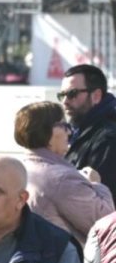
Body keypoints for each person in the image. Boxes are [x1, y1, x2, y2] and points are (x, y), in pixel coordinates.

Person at [14, 100, 113, 247]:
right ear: (47, 131)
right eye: (65, 126)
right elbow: (108, 228)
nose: (69, 131)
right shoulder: (62, 179)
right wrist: (96, 184)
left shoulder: (19, 168)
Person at [60, 63, 116, 187]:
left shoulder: (108, 138)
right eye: (62, 95)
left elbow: (101, 196)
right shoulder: (72, 131)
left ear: (96, 96)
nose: (65, 101)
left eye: (72, 94)